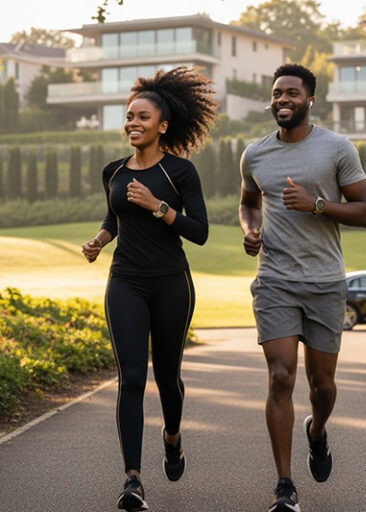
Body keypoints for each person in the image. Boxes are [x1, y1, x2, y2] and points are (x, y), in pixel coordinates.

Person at [239, 63, 366, 512]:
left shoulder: (336, 148)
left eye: (291, 93)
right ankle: (284, 486)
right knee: (280, 377)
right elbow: (248, 202)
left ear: (310, 99)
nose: (282, 100)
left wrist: (317, 204)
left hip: (324, 283)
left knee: (322, 386)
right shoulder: (254, 155)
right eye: (277, 93)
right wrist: (251, 229)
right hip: (276, 279)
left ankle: (317, 431)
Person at [82, 66, 217, 512]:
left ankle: (173, 437)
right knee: (132, 379)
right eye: (128, 116)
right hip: (125, 283)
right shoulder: (114, 172)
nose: (132, 123)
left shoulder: (181, 172)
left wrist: (159, 206)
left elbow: (199, 231)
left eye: (142, 117)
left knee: (167, 379)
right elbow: (114, 218)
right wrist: (100, 241)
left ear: (162, 125)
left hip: (171, 284)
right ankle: (133, 480)